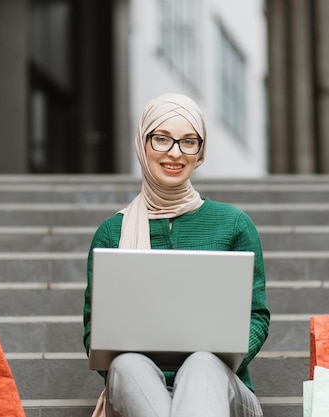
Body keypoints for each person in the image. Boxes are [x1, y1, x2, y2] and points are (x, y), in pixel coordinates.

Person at [83, 93, 270, 417]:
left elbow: (257, 315)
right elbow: (94, 331)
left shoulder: (234, 224)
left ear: (201, 152)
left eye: (188, 142)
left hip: (223, 386)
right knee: (125, 365)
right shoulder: (112, 234)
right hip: (138, 386)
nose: (175, 152)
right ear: (143, 145)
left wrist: (228, 354)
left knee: (201, 364)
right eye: (162, 139)